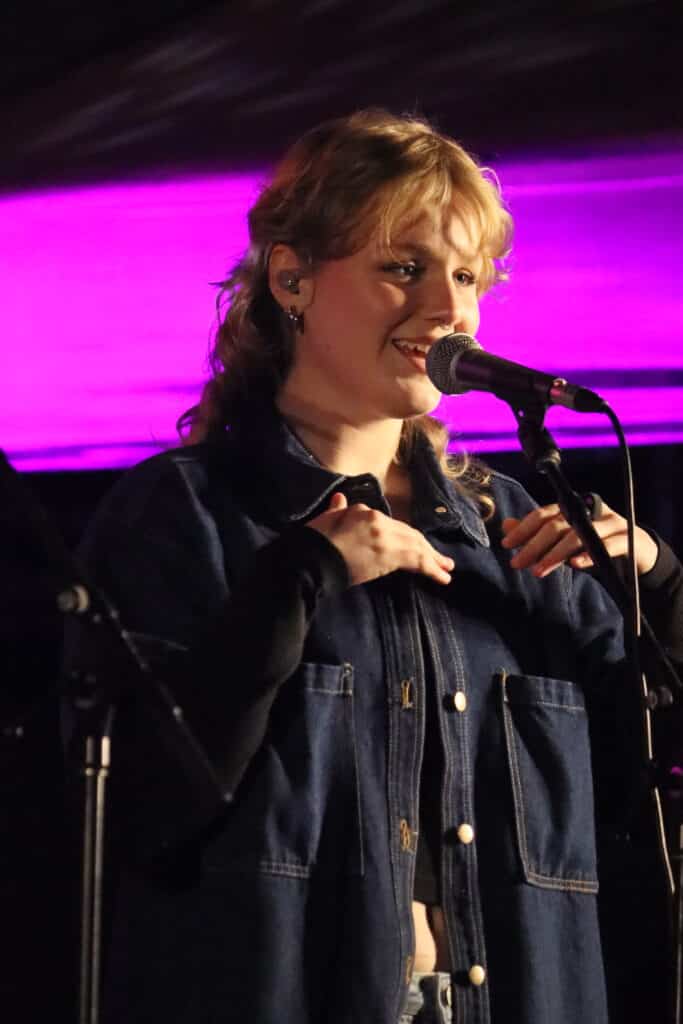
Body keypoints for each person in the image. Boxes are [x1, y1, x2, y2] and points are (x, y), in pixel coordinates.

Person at [68, 109, 683, 1024]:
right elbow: (141, 808)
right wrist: (298, 579)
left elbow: (644, 794)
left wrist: (661, 590)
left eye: (465, 276)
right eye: (403, 268)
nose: (447, 309)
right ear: (292, 279)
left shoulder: (514, 529)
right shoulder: (185, 513)